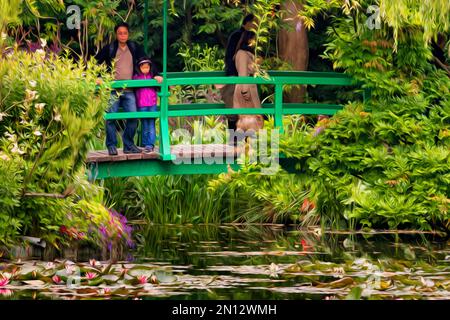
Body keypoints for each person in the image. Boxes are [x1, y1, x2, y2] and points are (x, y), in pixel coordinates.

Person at [95, 22, 149, 155]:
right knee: (111, 118)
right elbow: (95, 61)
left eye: (125, 33)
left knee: (133, 118)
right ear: (116, 34)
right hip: (114, 90)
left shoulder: (134, 47)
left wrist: (157, 76)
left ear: (128, 34)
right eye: (120, 33)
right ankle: (111, 146)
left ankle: (128, 144)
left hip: (129, 90)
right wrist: (98, 76)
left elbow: (146, 61)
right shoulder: (110, 48)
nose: (123, 35)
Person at [221, 13, 257, 135]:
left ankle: (236, 142)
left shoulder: (252, 36)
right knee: (234, 112)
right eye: (253, 22)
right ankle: (235, 142)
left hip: (241, 78)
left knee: (240, 113)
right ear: (247, 23)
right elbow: (229, 58)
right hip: (236, 77)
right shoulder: (237, 36)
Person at [233, 30, 264, 134]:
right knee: (251, 119)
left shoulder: (247, 53)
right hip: (245, 88)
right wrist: (245, 91)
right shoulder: (242, 54)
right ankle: (244, 146)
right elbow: (243, 73)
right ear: (248, 39)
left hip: (247, 86)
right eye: (253, 38)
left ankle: (240, 145)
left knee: (247, 120)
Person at [133, 56, 163, 153]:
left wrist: (158, 78)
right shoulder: (136, 77)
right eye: (143, 67)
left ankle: (150, 144)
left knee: (151, 124)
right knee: (145, 124)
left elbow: (160, 80)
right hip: (142, 104)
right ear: (139, 67)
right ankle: (145, 143)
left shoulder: (153, 77)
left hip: (152, 104)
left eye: (147, 67)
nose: (145, 69)